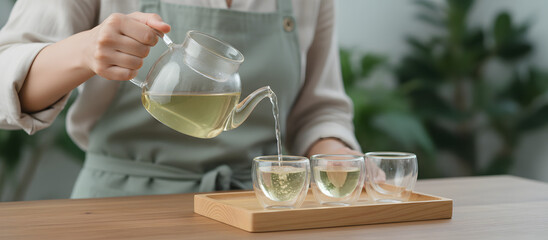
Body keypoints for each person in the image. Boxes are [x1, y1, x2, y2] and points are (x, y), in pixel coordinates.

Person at [0, 0, 361, 198]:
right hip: (117, 207)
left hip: (250, 207)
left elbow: (319, 108)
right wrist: (83, 50)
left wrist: (338, 153)